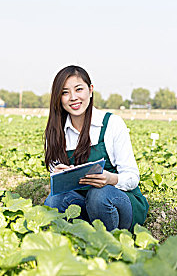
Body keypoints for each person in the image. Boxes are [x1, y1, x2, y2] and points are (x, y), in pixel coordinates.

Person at [44, 65, 149, 232]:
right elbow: (53, 167)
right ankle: (81, 239)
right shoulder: (56, 130)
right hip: (82, 203)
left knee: (98, 196)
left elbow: (132, 177)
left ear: (90, 90)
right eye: (65, 92)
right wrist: (59, 172)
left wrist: (110, 179)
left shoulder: (111, 124)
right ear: (58, 98)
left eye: (79, 89)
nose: (73, 97)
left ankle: (110, 243)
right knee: (53, 201)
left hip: (115, 200)